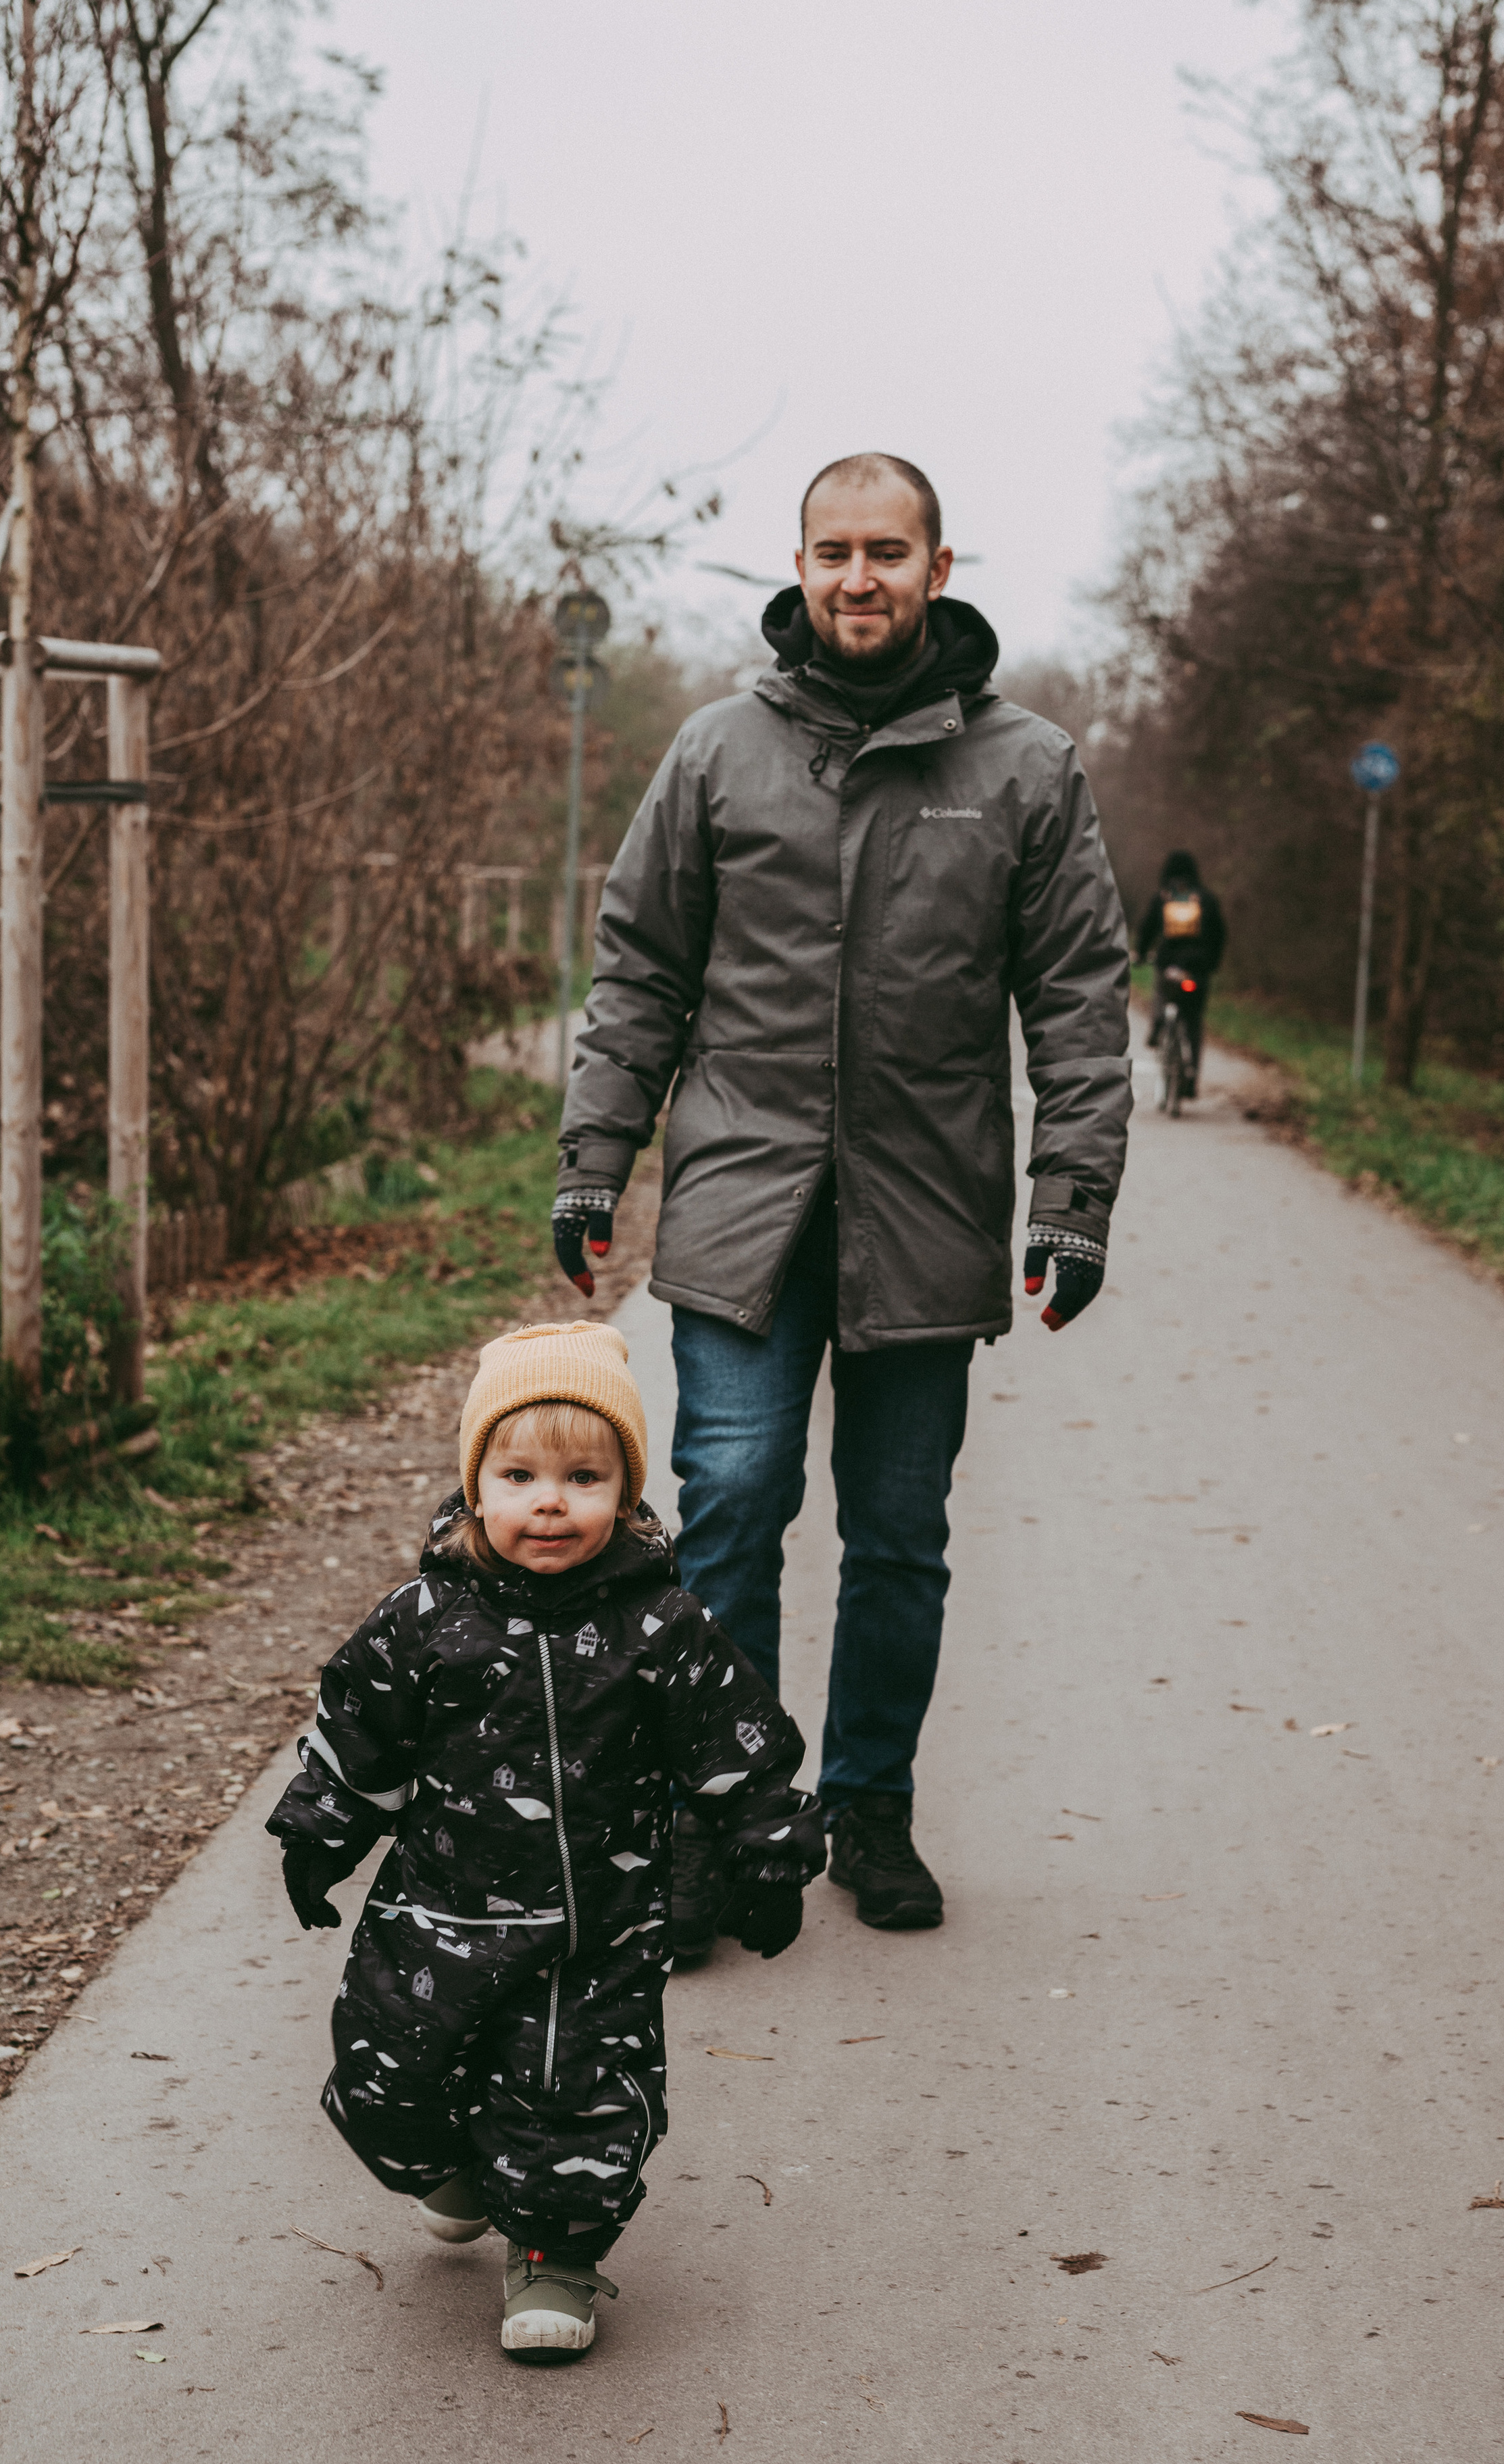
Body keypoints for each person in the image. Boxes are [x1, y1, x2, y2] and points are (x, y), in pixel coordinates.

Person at [552, 452, 1131, 1942]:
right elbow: (640, 976)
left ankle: (867, 1808)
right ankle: (722, 1820)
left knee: (896, 1538)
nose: (855, 579)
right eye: (831, 553)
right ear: (797, 567)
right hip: (742, 1206)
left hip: (925, 1214)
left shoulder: (1024, 768)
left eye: (886, 552)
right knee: (730, 1507)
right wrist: (592, 1164)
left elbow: (1075, 1001)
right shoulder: (713, 756)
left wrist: (1073, 1202)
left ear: (939, 570)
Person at [265, 1319, 824, 2362]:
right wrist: (320, 1834)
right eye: (520, 1474)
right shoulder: (424, 1618)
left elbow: (735, 1749)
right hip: (436, 1916)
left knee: (571, 2099)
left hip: (596, 1926)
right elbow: (359, 1740)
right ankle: (458, 2173)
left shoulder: (662, 1627)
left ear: (627, 1490)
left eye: (584, 1475)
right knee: (387, 2077)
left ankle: (551, 2254)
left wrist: (768, 1855)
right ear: (478, 1486)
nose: (551, 1500)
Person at [1136, 849, 1227, 1092]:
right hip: (1198, 968)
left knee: (1162, 992)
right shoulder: (1206, 899)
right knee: (1194, 1021)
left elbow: (1147, 929)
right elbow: (1219, 934)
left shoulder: (1164, 897)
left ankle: (1158, 1025)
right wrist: (1212, 963)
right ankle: (1190, 1079)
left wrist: (1140, 953)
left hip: (1169, 964)